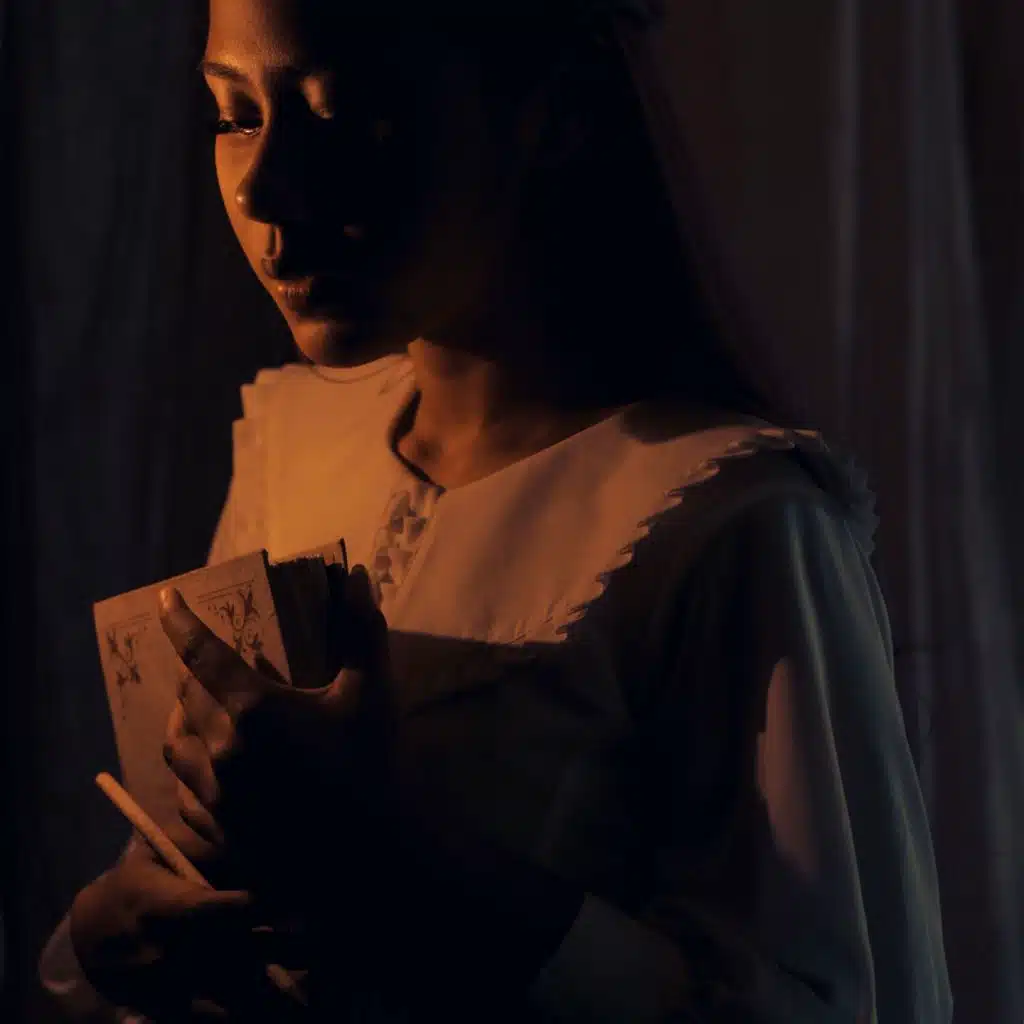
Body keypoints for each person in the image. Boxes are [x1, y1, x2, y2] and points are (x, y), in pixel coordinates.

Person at [39, 0, 953, 1019]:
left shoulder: (728, 520)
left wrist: (411, 867)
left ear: (552, 115)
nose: (262, 186)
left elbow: (826, 998)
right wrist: (115, 939)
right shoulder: (293, 443)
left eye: (344, 112)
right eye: (235, 113)